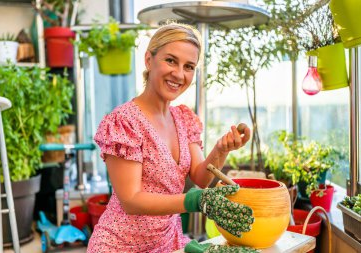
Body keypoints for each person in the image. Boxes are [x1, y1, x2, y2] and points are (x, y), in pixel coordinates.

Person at [87, 22, 254, 253]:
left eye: (189, 66)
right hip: (120, 246)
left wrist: (221, 149)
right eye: (170, 61)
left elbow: (200, 177)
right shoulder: (125, 122)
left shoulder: (183, 118)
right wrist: (194, 200)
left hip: (168, 243)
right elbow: (131, 200)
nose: (179, 74)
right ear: (148, 60)